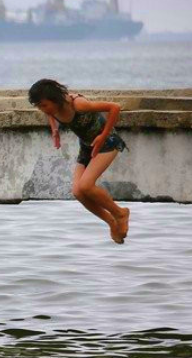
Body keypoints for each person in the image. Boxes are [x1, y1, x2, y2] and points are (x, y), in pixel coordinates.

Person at [29, 79, 130, 244]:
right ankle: (111, 221)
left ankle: (120, 213)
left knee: (86, 186)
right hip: (86, 146)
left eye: (44, 105)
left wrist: (102, 136)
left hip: (107, 143)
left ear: (55, 99)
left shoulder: (79, 104)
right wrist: (54, 130)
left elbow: (114, 108)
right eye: (39, 106)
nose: (43, 110)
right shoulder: (52, 109)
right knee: (77, 191)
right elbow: (50, 114)